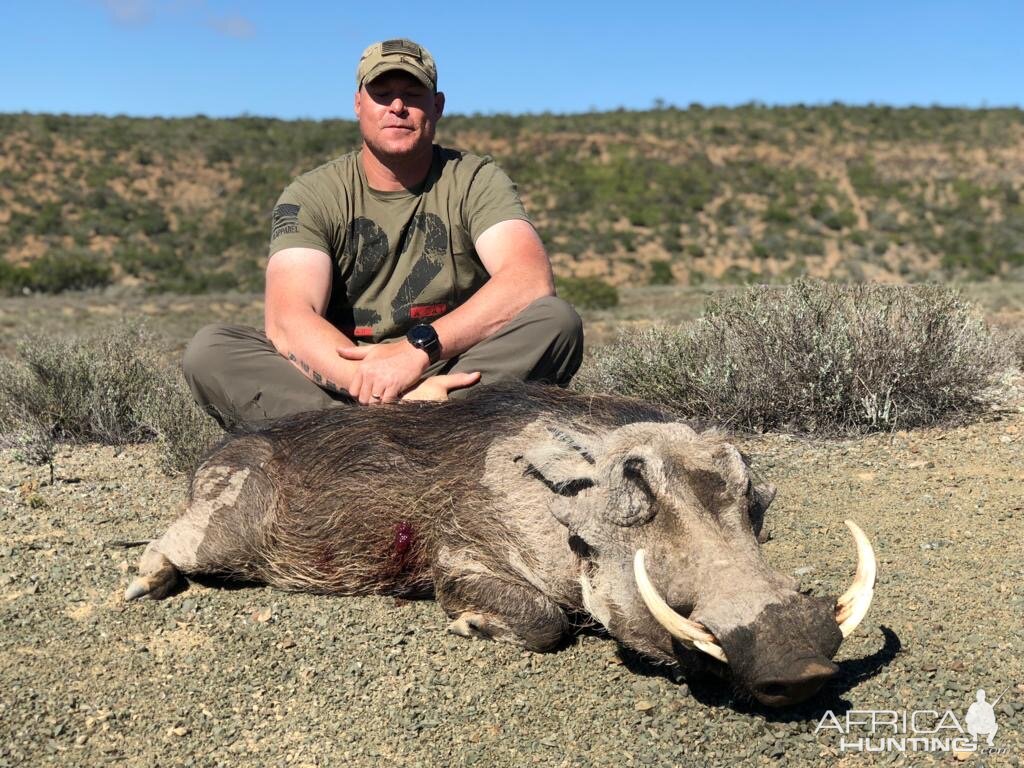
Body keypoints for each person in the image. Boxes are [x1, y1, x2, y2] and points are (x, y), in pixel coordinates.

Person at [183, 38, 583, 427]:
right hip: (343, 379)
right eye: (382, 93)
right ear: (358, 104)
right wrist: (376, 387)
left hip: (447, 368)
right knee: (211, 352)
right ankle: (422, 431)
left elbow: (529, 279)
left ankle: (342, 443)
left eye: (412, 94)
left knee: (556, 322)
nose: (397, 106)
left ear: (437, 106)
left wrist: (417, 352)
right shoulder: (313, 194)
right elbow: (289, 318)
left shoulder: (475, 179)